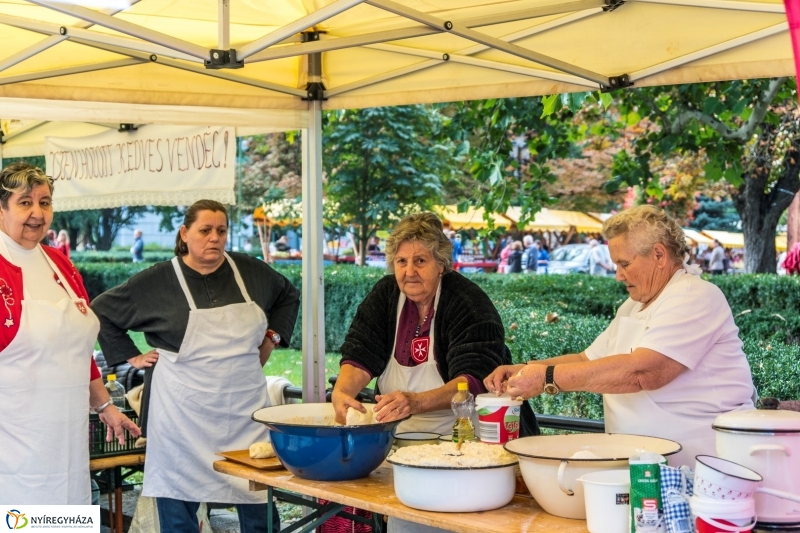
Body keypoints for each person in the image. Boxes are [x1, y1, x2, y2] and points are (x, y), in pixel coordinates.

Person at [485, 205, 755, 467]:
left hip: (703, 466)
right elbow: (586, 358)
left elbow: (643, 372)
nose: (618, 275)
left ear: (659, 255)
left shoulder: (694, 296)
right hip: (646, 463)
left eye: (624, 263)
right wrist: (525, 370)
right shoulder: (634, 304)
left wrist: (546, 379)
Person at [92, 199, 300, 533]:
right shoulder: (156, 281)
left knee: (257, 499)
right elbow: (101, 310)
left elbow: (288, 295)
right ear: (185, 233)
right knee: (178, 500)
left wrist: (271, 338)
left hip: (245, 409)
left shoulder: (250, 271)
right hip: (181, 416)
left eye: (221, 231)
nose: (214, 238)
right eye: (205, 230)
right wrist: (130, 355)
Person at [332, 212, 538, 533]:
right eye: (401, 261)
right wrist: (343, 392)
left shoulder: (467, 303)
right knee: (407, 520)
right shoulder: (386, 295)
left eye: (420, 261)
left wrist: (415, 402)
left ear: (441, 263)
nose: (409, 271)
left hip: (469, 450)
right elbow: (360, 352)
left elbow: (472, 381)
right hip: (405, 452)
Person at [0, 162, 140, 504]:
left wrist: (105, 405)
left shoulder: (60, 263)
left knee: (68, 518)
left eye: (44, 202)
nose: (37, 212)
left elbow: (77, 350)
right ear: (1, 209)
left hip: (68, 441)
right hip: (14, 445)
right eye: (24, 202)